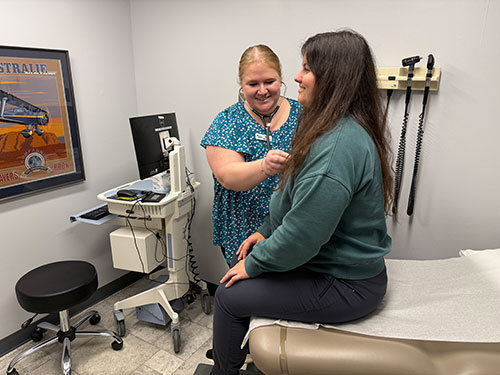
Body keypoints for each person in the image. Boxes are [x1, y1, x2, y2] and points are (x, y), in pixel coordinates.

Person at [209, 29, 394, 375]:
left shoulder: (337, 146)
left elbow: (302, 234)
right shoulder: (328, 127)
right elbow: (293, 196)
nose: (297, 76)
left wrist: (254, 264)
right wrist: (265, 232)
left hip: (347, 283)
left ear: (333, 77)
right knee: (243, 281)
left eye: (306, 69)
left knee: (228, 296)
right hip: (332, 267)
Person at [201, 45, 301, 264]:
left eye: (269, 82)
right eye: (253, 84)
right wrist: (265, 166)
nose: (262, 90)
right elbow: (227, 176)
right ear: (241, 85)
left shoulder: (302, 115)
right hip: (242, 228)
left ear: (281, 79)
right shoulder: (227, 121)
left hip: (291, 223)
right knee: (251, 292)